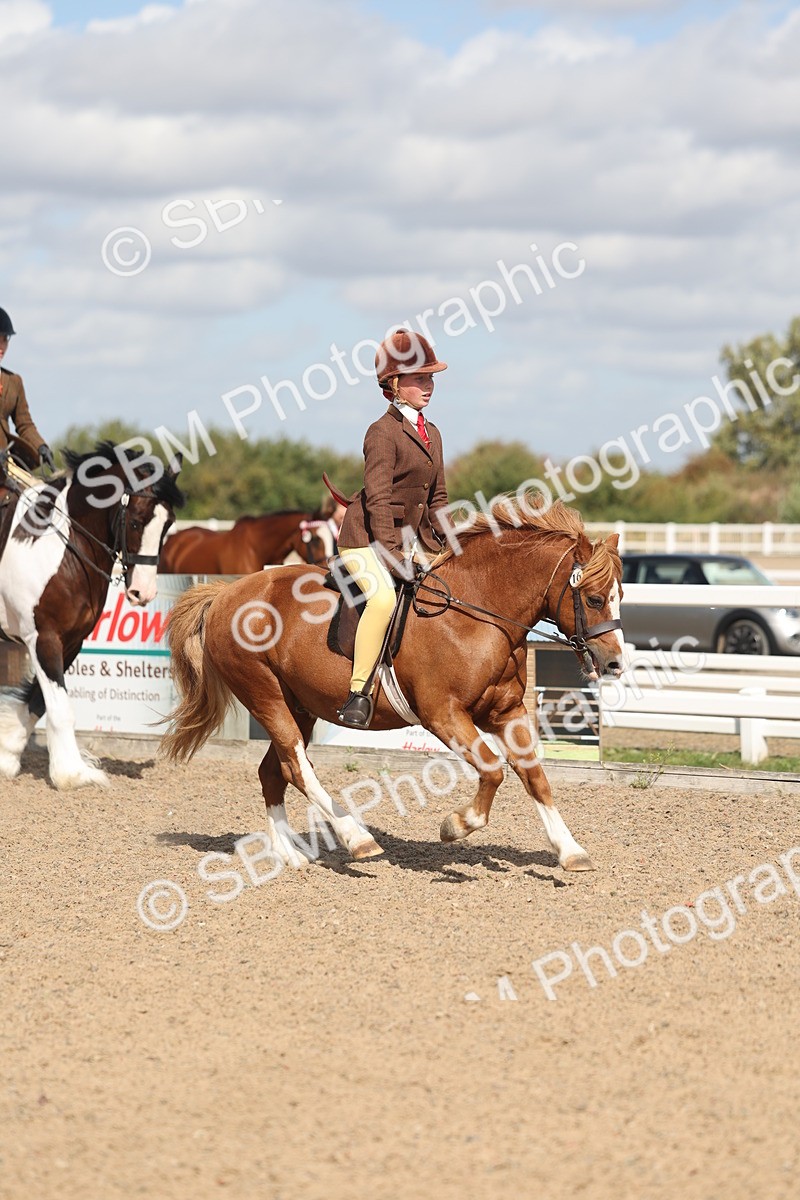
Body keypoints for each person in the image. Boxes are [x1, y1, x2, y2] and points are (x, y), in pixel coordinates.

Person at [335, 329, 450, 728]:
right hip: (366, 541)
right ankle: (359, 693)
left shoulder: (432, 433)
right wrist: (393, 556)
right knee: (383, 600)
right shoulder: (381, 432)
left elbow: (438, 499)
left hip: (409, 541)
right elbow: (379, 500)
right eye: (420, 378)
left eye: (431, 378)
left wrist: (455, 546)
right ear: (395, 384)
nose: (428, 385)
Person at [0, 307, 55, 482]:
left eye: (5, 340)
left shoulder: (14, 381)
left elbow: (24, 424)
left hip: (5, 462)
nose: (2, 346)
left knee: (38, 492)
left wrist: (41, 446)